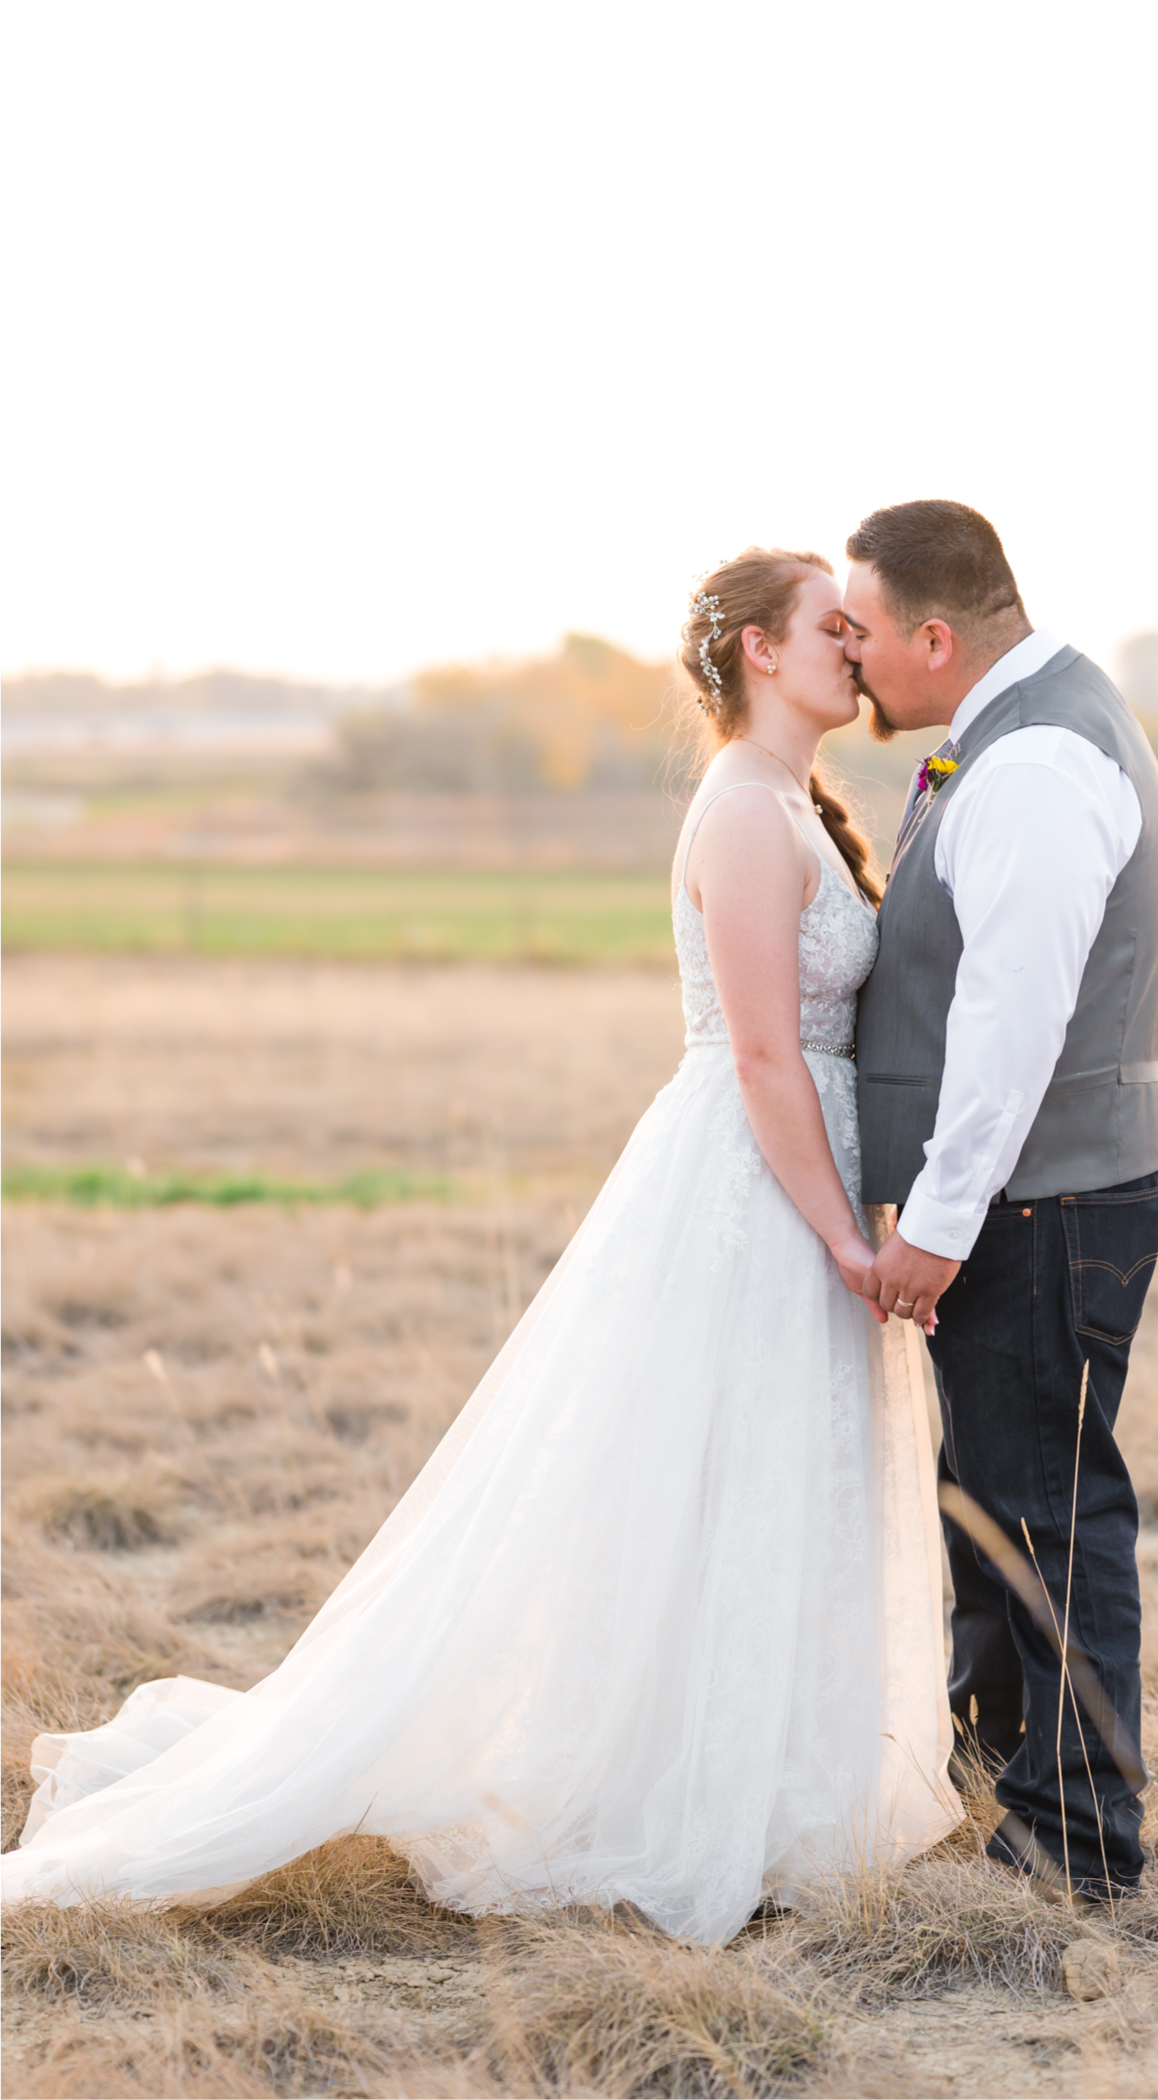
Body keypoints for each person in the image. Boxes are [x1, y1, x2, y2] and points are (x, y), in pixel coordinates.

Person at [1, 549, 961, 1943]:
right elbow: (762, 1053)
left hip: (798, 1172)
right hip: (757, 1185)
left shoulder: (791, 802)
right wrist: (840, 1237)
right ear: (758, 650)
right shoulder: (746, 815)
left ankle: (771, 1783)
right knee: (720, 1468)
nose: (855, 650)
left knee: (769, 1474)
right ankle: (689, 1795)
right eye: (830, 628)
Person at [844, 499, 1158, 1903]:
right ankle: (1008, 1797)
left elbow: (1011, 1022)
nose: (852, 659)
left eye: (862, 631)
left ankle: (1078, 1847)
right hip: (1033, 1202)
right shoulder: (1009, 729)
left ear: (935, 635)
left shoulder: (1040, 759)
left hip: (1041, 1207)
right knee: (994, 1504)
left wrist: (936, 1218)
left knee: (1043, 1517)